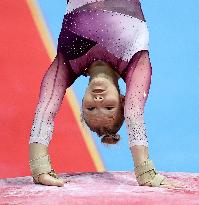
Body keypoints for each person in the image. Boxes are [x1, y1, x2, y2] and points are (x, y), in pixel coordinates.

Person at [29, 0, 184, 188]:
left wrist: (40, 168)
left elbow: (46, 109)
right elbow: (135, 115)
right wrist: (145, 172)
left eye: (91, 107)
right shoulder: (136, 63)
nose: (98, 99)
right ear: (123, 101)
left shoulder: (68, 64)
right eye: (109, 107)